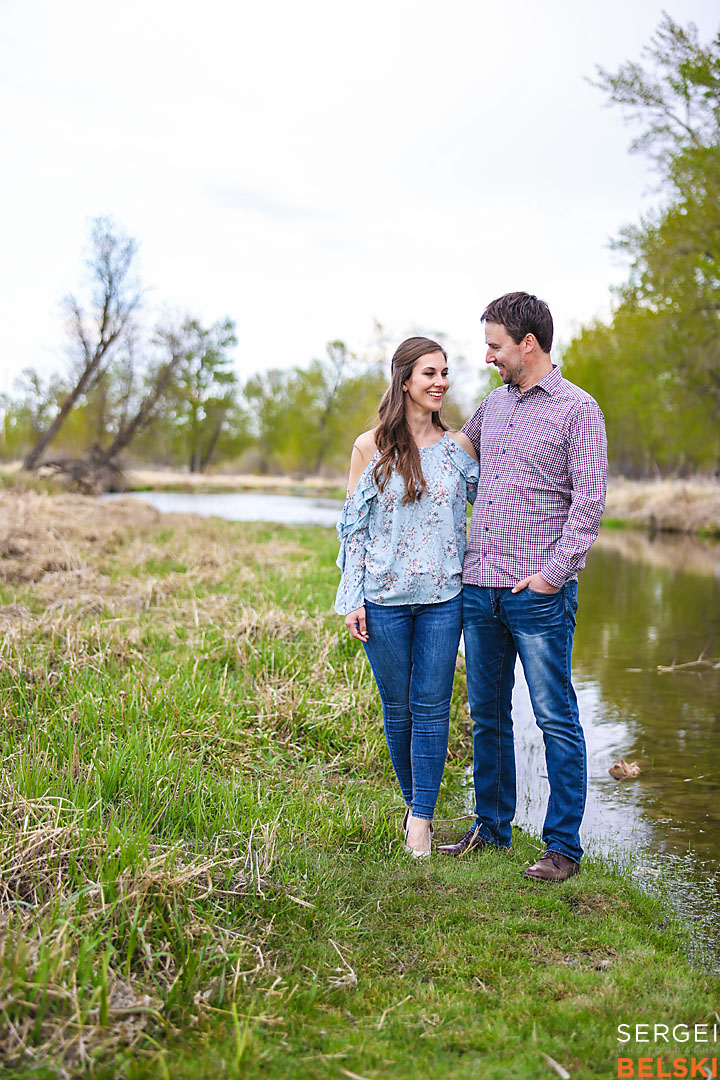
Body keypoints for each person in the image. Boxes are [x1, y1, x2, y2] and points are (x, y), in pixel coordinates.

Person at [440, 292, 607, 882]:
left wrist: (550, 576)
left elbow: (588, 505)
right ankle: (492, 828)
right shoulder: (494, 407)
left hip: (536, 593)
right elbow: (453, 462)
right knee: (486, 714)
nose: (487, 356)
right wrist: (388, 438)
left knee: (554, 716)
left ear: (526, 344)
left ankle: (562, 848)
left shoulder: (577, 409)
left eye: (494, 345)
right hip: (479, 588)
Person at [335, 337, 479, 858]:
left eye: (444, 373)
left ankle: (420, 820)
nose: (440, 382)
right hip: (383, 599)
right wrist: (352, 598)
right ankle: (414, 804)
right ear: (404, 381)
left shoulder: (461, 449)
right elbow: (354, 529)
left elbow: (488, 512)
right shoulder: (369, 447)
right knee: (398, 711)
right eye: (429, 374)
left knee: (433, 708)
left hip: (445, 597)